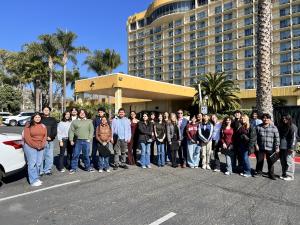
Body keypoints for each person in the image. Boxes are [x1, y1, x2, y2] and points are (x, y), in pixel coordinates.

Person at [23, 112, 47, 186]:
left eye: (39, 117)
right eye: (36, 117)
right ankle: (33, 181)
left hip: (41, 146)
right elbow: (27, 138)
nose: (37, 118)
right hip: (30, 146)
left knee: (39, 163)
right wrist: (35, 145)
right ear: (33, 118)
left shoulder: (43, 126)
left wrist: (42, 145)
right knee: (32, 163)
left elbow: (45, 136)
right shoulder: (28, 125)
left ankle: (36, 178)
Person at [69, 109, 94, 174]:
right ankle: (73, 168)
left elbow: (91, 131)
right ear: (78, 114)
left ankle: (87, 167)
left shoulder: (89, 121)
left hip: (86, 141)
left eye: (83, 113)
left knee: (86, 155)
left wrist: (89, 139)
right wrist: (71, 140)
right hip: (77, 141)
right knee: (75, 155)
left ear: (85, 113)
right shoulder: (75, 122)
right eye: (81, 113)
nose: (82, 114)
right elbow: (71, 131)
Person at [256, 113, 280, 180]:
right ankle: (259, 172)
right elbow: (255, 137)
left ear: (269, 119)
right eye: (264, 118)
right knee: (259, 160)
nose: (265, 119)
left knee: (270, 162)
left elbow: (277, 138)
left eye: (267, 118)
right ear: (262, 119)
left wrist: (277, 147)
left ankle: (271, 174)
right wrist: (256, 145)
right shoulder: (258, 127)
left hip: (270, 148)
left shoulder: (274, 127)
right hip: (261, 147)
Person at [278, 115, 298, 181]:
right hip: (282, 147)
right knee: (283, 161)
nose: (284, 119)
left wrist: (292, 148)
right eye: (283, 118)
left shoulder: (293, 126)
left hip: (289, 147)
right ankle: (284, 174)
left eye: (286, 118)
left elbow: (294, 138)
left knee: (289, 161)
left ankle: (290, 175)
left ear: (289, 119)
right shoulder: (282, 126)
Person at [40, 106, 57, 176]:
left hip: (50, 141)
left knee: (49, 156)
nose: (46, 111)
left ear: (49, 111)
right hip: (41, 140)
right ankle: (40, 171)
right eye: (45, 110)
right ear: (43, 111)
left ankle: (47, 170)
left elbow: (54, 129)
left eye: (47, 110)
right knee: (41, 156)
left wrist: (51, 136)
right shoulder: (39, 119)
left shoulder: (53, 119)